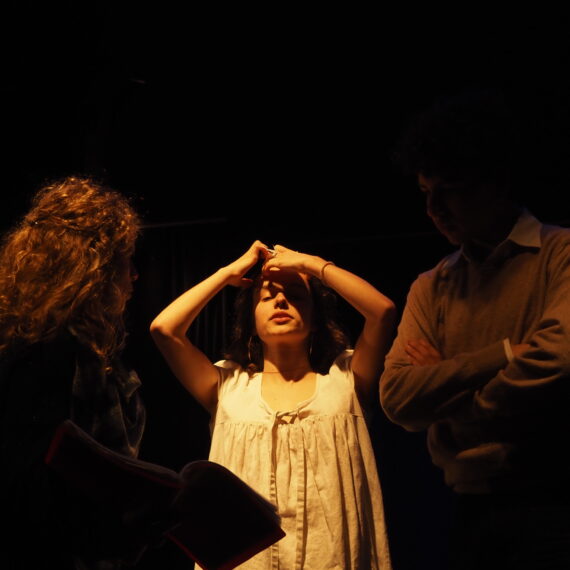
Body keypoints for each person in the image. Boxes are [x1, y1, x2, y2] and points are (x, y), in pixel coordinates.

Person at [380, 91, 570, 569]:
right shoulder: (433, 284)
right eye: (425, 192)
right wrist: (503, 354)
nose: (434, 208)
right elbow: (397, 397)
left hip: (554, 501)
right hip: (465, 509)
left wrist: (450, 391)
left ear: (497, 182)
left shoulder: (560, 255)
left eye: (451, 189)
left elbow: (558, 361)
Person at [150, 241, 395, 569]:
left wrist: (312, 264)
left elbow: (382, 311)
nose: (280, 300)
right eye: (266, 297)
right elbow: (164, 329)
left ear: (316, 318)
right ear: (252, 321)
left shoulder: (346, 380)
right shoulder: (229, 387)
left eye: (295, 295)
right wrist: (226, 273)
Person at [0, 177, 146, 569]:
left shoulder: (65, 347)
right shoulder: (54, 354)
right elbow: (40, 497)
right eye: (126, 259)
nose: (134, 274)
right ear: (96, 269)